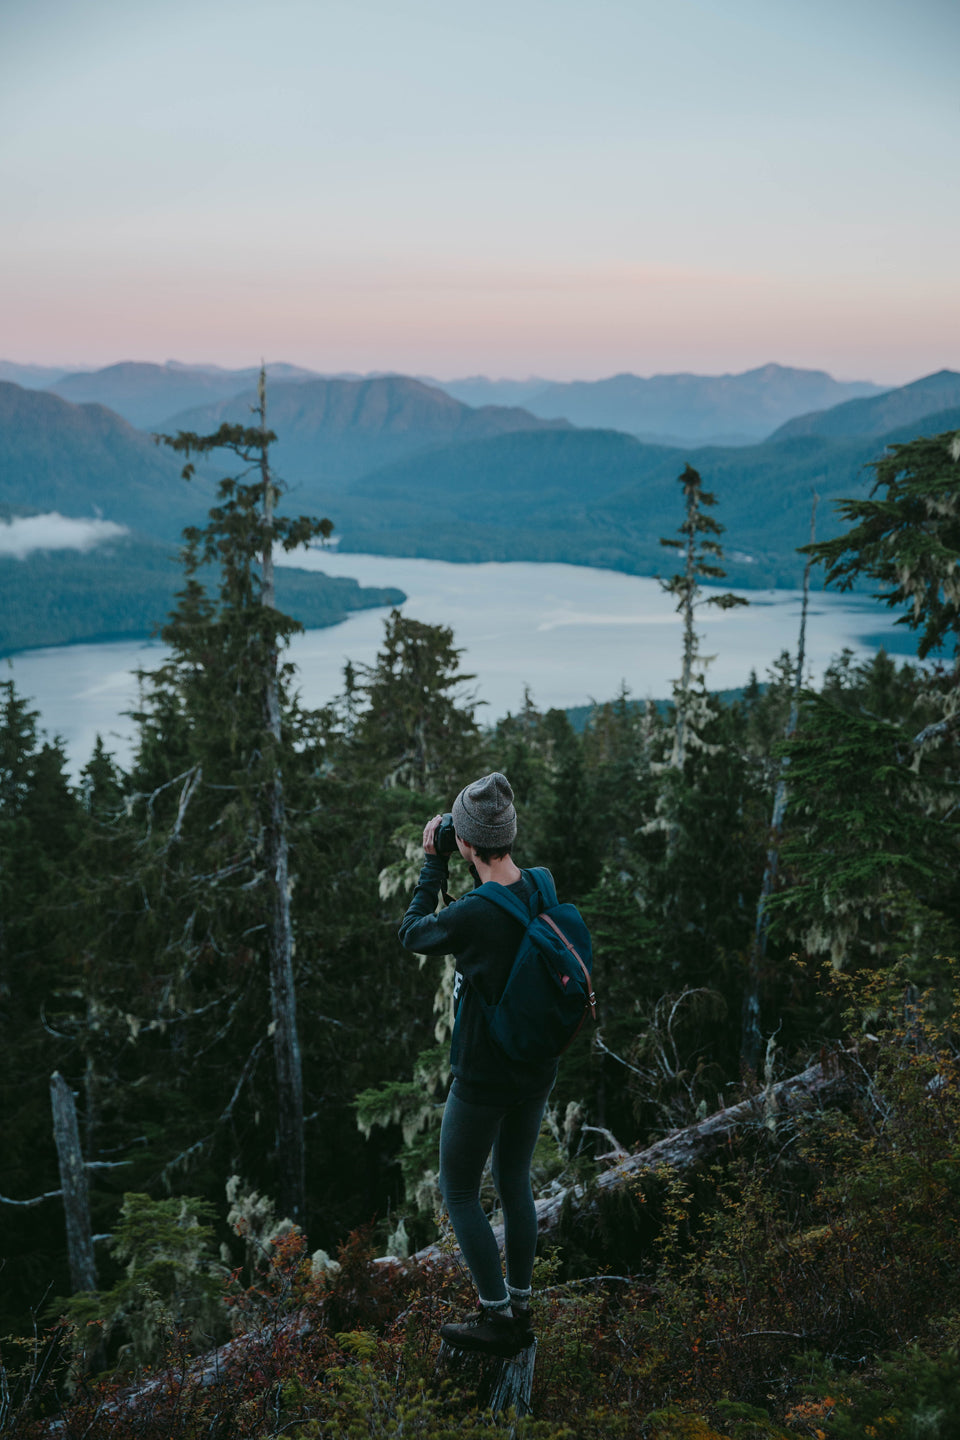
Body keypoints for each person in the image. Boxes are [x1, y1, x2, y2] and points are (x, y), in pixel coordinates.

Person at [398, 771, 557, 1358]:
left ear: (466, 842)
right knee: (514, 1179)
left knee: (460, 1188)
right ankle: (519, 1302)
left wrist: (432, 863)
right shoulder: (541, 884)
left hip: (485, 1077)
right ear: (508, 836)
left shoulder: (471, 913)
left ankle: (496, 1318)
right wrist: (462, 848)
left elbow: (412, 933)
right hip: (537, 1067)